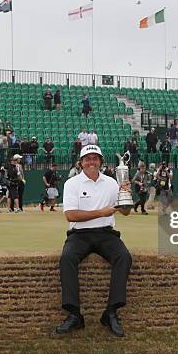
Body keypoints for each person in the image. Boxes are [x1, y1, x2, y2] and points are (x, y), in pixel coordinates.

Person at [56, 144, 132, 337]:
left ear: (100, 162)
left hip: (106, 233)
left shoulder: (112, 183)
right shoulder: (72, 183)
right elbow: (71, 215)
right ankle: (74, 314)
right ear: (81, 163)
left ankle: (111, 312)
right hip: (79, 234)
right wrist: (100, 212)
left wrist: (125, 194)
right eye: (87, 158)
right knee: (67, 258)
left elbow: (125, 212)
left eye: (95, 158)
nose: (91, 162)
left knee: (124, 256)